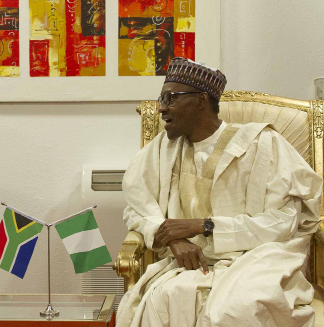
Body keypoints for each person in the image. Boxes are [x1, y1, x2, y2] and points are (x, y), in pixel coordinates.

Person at [116, 57, 322, 327]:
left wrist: (205, 226)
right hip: (188, 261)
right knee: (165, 298)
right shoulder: (162, 149)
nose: (162, 108)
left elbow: (286, 221)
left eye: (171, 98)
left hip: (257, 258)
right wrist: (172, 239)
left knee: (233, 310)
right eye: (161, 98)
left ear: (201, 101)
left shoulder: (262, 144)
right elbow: (137, 207)